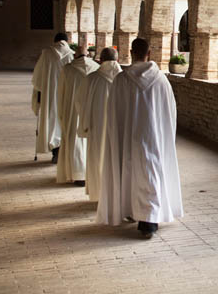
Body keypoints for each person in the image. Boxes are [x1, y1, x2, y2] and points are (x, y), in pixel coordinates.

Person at [97, 38, 183, 239]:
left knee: (130, 172)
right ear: (149, 53)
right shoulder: (161, 80)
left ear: (131, 52)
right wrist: (166, 135)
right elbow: (170, 112)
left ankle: (137, 213)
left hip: (129, 136)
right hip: (153, 137)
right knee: (151, 173)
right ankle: (148, 220)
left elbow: (113, 112)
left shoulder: (121, 80)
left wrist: (116, 134)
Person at [76, 47, 121, 202]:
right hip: (120, 129)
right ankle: (117, 195)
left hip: (97, 127)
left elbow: (81, 103)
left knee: (98, 158)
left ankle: (100, 195)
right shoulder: (125, 78)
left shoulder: (91, 79)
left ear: (100, 60)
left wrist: (84, 125)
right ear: (118, 60)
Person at [56, 48, 99, 185]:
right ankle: (89, 173)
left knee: (73, 139)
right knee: (89, 141)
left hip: (72, 109)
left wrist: (61, 112)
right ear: (87, 55)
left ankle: (76, 173)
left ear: (75, 55)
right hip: (91, 110)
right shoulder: (96, 68)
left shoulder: (68, 69)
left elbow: (61, 93)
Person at [32, 32, 73, 163]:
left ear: (54, 41)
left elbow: (37, 77)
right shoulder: (72, 55)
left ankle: (55, 152)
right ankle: (63, 152)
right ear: (67, 41)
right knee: (65, 121)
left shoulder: (46, 54)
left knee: (52, 121)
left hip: (49, 94)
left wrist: (38, 96)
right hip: (67, 95)